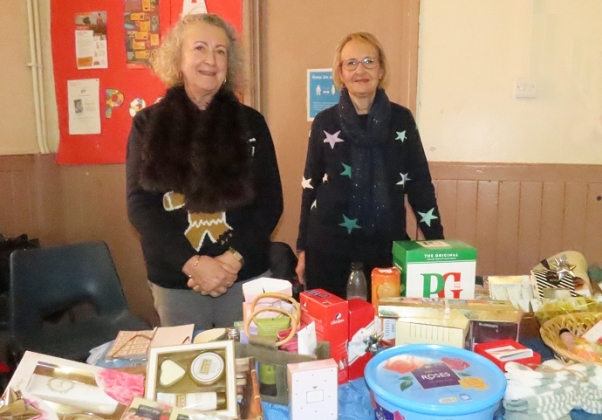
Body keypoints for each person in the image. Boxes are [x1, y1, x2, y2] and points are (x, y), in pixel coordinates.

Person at [126, 13, 283, 329]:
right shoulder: (147, 125)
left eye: (220, 51)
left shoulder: (251, 123)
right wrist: (193, 264)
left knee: (248, 371)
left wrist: (230, 261)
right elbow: (141, 207)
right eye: (199, 48)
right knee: (186, 372)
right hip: (178, 282)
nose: (211, 59)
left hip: (245, 276)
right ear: (178, 60)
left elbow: (270, 203)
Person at [295, 32, 444, 299]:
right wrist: (303, 249)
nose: (360, 69)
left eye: (368, 61)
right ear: (340, 73)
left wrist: (438, 245)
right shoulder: (324, 122)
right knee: (330, 333)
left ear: (381, 69)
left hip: (386, 247)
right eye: (350, 63)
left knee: (385, 330)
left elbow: (420, 185)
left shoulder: (401, 120)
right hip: (328, 247)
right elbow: (311, 186)